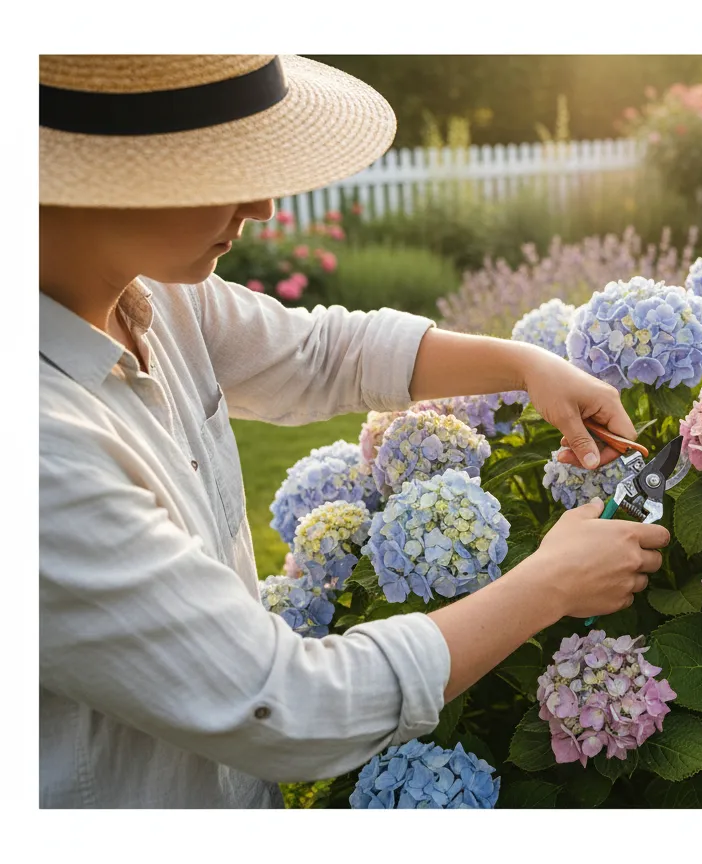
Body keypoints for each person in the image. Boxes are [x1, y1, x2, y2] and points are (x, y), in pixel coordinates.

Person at [39, 54, 670, 808]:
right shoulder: (45, 453)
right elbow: (286, 707)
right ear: (87, 176)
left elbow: (318, 353)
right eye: (218, 165)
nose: (265, 205)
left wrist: (526, 364)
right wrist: (548, 583)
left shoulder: (155, 300)